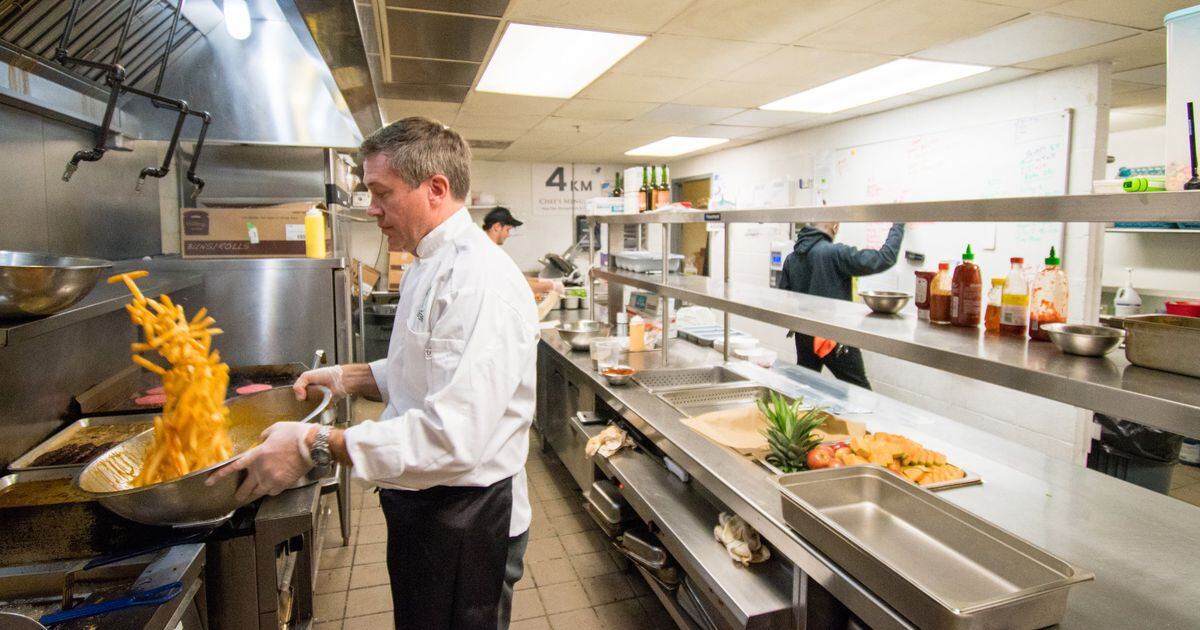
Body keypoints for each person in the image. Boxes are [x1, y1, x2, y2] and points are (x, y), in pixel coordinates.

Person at [209, 117, 538, 630]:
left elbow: (451, 439)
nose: (372, 208)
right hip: (426, 506)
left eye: (382, 192)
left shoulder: (480, 281)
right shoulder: (429, 260)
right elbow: (424, 368)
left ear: (436, 189)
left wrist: (313, 443)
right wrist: (346, 376)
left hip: (469, 521)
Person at [778, 222, 905, 390]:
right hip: (832, 337)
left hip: (804, 335)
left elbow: (783, 297)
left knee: (803, 391)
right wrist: (899, 224)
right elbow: (885, 257)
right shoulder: (835, 253)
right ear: (835, 227)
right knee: (860, 393)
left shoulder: (792, 258)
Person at [483, 206, 563, 298]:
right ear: (497, 227)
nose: (508, 235)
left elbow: (515, 279)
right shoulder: (487, 252)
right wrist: (551, 286)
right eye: (507, 230)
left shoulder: (489, 248)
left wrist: (541, 281)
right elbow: (513, 285)